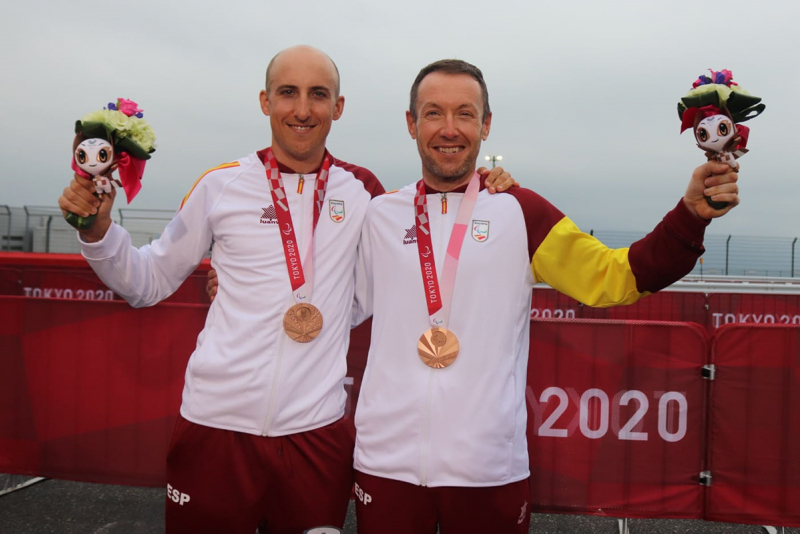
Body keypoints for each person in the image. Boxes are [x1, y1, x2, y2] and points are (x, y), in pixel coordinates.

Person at [57, 46, 514, 534]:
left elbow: (405, 258)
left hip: (315, 437)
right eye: (287, 93)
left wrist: (489, 188)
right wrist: (98, 232)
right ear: (265, 101)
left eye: (318, 95)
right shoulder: (222, 186)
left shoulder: (364, 194)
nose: (302, 110)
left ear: (338, 107)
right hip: (215, 427)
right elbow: (147, 282)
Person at [348, 59, 739, 534]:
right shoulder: (380, 216)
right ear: (411, 124)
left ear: (486, 125)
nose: (449, 129)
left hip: (489, 469)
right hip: (385, 464)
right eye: (433, 113)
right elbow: (328, 301)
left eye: (465, 114)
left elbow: (614, 277)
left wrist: (690, 216)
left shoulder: (521, 211)